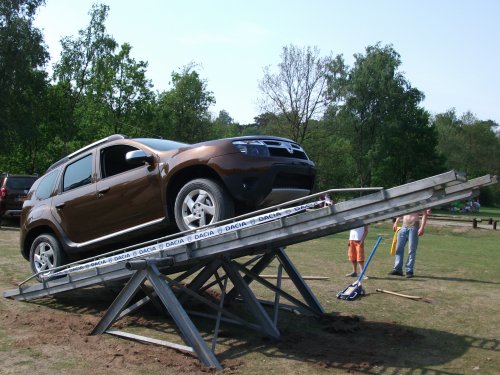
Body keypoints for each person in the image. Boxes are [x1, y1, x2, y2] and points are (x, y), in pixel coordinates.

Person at [389, 209, 428, 278]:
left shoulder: (420, 202)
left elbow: (424, 214)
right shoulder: (407, 200)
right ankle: (397, 269)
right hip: (404, 227)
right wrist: (396, 222)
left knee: (411, 250)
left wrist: (422, 227)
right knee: (398, 249)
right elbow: (402, 212)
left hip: (414, 227)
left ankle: (409, 270)